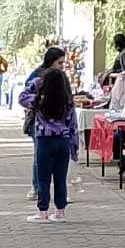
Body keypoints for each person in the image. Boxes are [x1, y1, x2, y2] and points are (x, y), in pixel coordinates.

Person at [19, 66, 79, 222]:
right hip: (63, 142)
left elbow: (22, 97)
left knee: (43, 178)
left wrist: (35, 82)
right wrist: (74, 148)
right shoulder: (68, 102)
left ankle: (43, 211)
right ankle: (60, 212)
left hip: (44, 141)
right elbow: (73, 126)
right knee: (60, 178)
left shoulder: (38, 101)